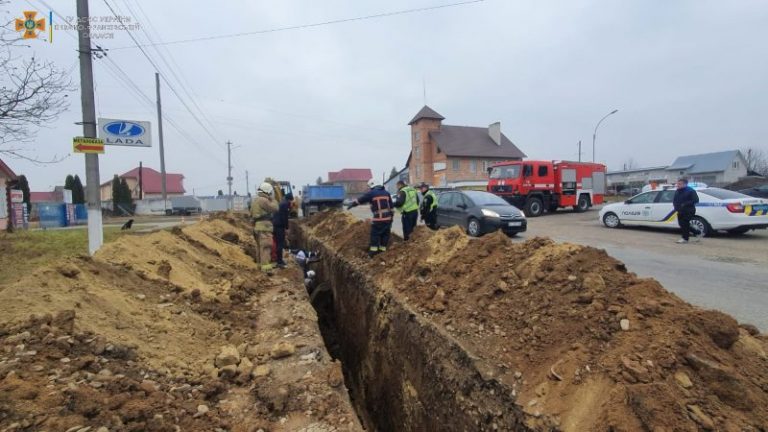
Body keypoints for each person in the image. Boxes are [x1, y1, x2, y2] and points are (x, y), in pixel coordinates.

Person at [347, 179, 394, 257]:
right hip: (388, 219)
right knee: (385, 235)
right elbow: (391, 207)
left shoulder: (371, 193)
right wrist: (391, 218)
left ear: (373, 185)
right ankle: (382, 252)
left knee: (375, 235)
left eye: (370, 187)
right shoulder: (387, 193)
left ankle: (373, 253)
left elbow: (361, 200)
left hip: (378, 219)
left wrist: (353, 204)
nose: (369, 188)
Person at [250, 182, 278, 270]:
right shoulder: (263, 200)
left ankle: (260, 266)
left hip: (257, 227)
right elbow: (275, 208)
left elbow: (251, 215)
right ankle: (266, 269)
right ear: (267, 192)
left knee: (260, 248)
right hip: (264, 228)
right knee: (266, 246)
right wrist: (274, 200)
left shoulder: (255, 200)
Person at [673, 177, 701, 244]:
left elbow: (696, 200)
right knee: (682, 224)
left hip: (689, 210)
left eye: (680, 184)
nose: (678, 185)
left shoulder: (690, 191)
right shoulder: (677, 191)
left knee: (684, 223)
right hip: (680, 210)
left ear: (685, 184)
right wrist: (675, 206)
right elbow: (675, 200)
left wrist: (685, 204)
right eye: (677, 183)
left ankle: (685, 238)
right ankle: (697, 232)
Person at [272, 194, 292, 268]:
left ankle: (276, 259)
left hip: (275, 225)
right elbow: (284, 217)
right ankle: (279, 261)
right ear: (290, 200)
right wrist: (286, 228)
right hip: (279, 227)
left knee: (276, 243)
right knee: (280, 243)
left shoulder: (280, 203)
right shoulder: (285, 204)